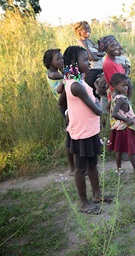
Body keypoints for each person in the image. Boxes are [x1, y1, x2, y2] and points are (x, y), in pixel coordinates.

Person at [63, 45, 112, 215]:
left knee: (92, 164)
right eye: (85, 59)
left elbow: (63, 101)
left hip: (89, 130)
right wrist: (100, 100)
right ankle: (84, 203)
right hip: (81, 133)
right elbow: (97, 110)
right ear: (73, 62)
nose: (89, 62)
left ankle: (97, 195)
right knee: (80, 168)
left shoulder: (76, 81)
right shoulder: (75, 85)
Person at [43, 48, 75, 176]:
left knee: (72, 135)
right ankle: (73, 168)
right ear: (50, 62)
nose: (61, 60)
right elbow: (72, 76)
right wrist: (68, 68)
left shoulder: (52, 71)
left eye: (62, 58)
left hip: (67, 105)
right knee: (70, 136)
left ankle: (74, 167)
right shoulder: (55, 74)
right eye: (58, 59)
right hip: (66, 106)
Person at [107, 73, 135, 177]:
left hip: (118, 127)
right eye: (123, 85)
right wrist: (126, 119)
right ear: (115, 86)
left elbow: (109, 109)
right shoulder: (121, 99)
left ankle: (118, 170)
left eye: (127, 85)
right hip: (126, 127)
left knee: (118, 150)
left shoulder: (114, 97)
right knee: (130, 150)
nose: (126, 87)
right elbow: (114, 114)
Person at [74, 21, 105, 99]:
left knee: (101, 93)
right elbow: (91, 58)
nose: (88, 30)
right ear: (79, 31)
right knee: (94, 95)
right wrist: (98, 56)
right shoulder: (80, 41)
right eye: (85, 28)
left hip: (100, 69)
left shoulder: (89, 41)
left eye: (88, 28)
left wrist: (97, 55)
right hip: (92, 70)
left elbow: (102, 53)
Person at [98, 35, 133, 102]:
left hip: (122, 92)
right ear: (105, 49)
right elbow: (116, 82)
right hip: (117, 95)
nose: (116, 48)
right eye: (112, 46)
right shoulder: (108, 63)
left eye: (116, 45)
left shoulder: (115, 60)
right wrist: (127, 74)